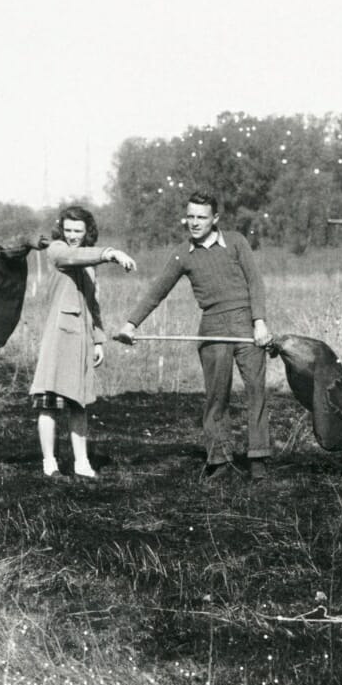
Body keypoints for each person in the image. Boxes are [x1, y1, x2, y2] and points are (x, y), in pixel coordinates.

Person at [115, 192, 273, 481]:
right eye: (191, 216)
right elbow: (156, 291)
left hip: (246, 323)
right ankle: (220, 459)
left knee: (256, 391)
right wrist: (130, 325)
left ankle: (259, 458)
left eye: (202, 217)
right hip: (212, 326)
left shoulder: (236, 241)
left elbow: (255, 282)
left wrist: (259, 323)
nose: (195, 222)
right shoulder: (181, 253)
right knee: (216, 397)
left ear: (215, 219)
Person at [29, 205, 137, 478]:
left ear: (88, 231)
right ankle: (49, 463)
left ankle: (82, 463)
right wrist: (110, 253)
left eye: (78, 231)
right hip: (58, 339)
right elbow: (71, 256)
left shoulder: (90, 265)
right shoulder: (57, 250)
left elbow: (93, 305)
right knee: (49, 403)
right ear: (60, 230)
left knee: (79, 405)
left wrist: (98, 340)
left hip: (82, 342)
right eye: (68, 230)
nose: (72, 235)